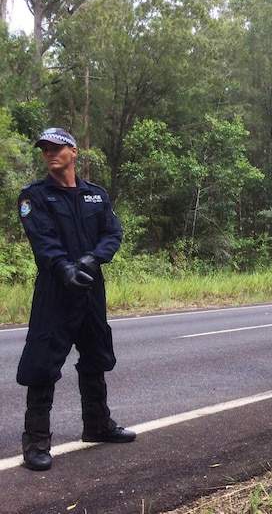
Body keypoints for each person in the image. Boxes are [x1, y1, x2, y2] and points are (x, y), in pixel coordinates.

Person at [16, 128, 134, 472]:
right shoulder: (34, 196)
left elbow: (113, 232)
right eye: (45, 150)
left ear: (74, 151)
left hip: (91, 288)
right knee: (42, 362)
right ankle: (36, 440)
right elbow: (42, 239)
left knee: (96, 355)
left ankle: (96, 425)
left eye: (57, 148)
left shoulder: (94, 195)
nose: (50, 154)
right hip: (56, 290)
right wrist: (65, 268)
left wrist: (94, 258)